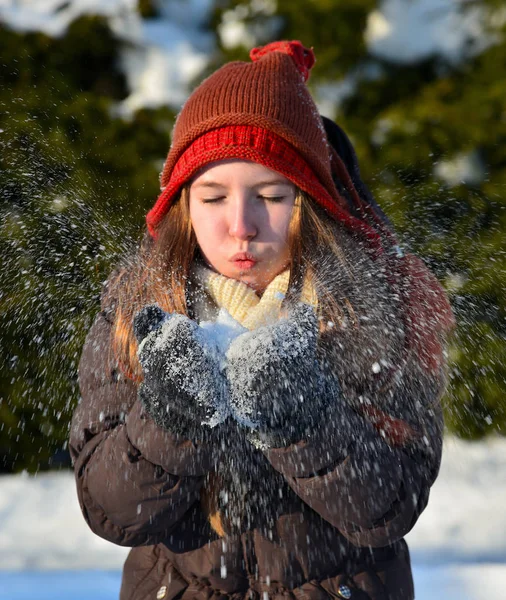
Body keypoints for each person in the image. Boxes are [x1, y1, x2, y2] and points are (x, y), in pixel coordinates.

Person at [70, 41, 455, 600]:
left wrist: (303, 419)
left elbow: (390, 507)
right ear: (180, 203)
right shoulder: (139, 307)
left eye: (271, 195)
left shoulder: (371, 306)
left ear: (311, 201)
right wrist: (170, 418)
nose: (241, 226)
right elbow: (112, 512)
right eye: (213, 196)